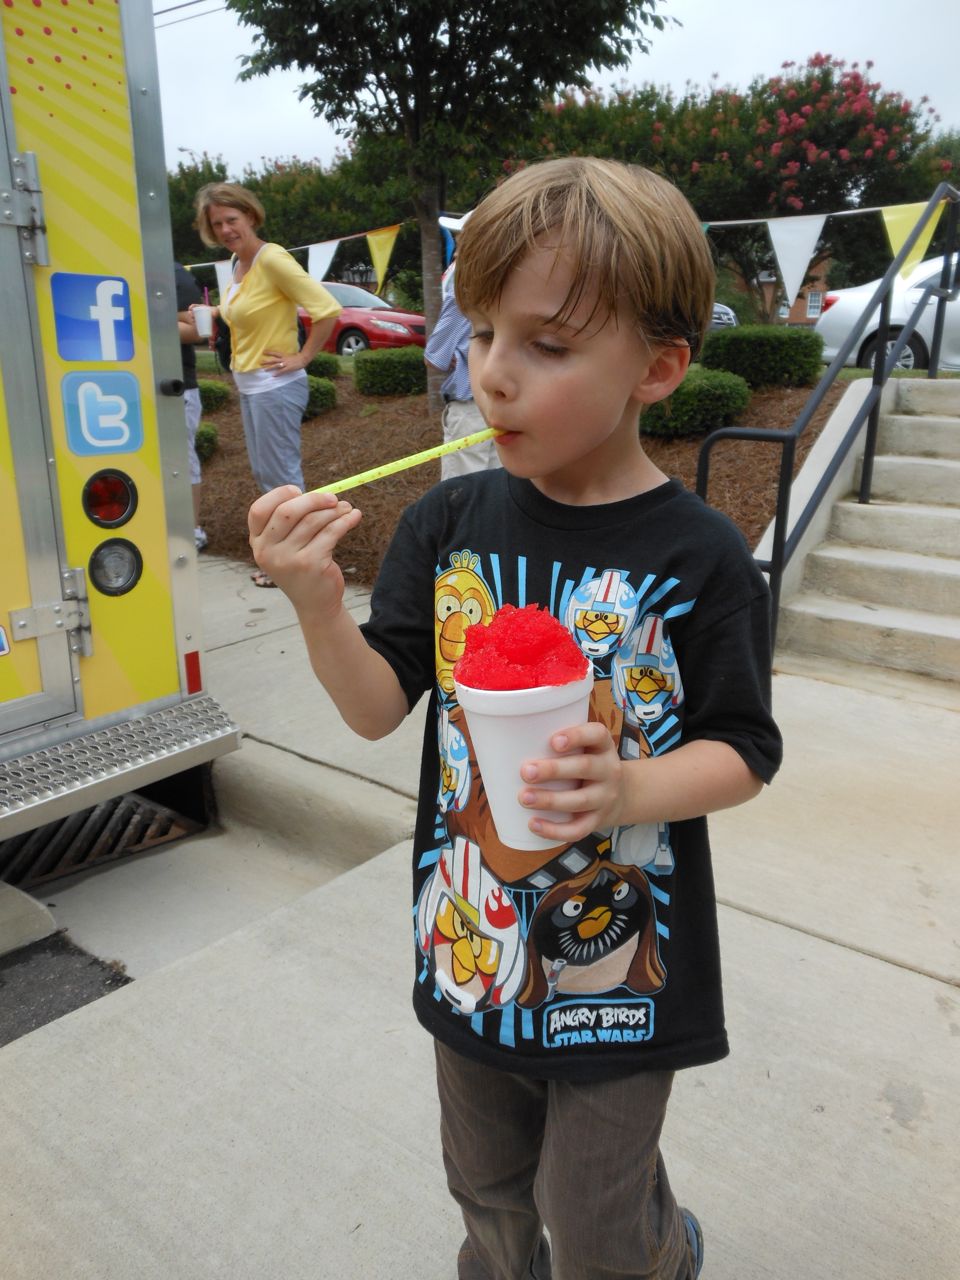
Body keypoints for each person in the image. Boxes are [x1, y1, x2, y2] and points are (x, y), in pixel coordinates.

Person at [248, 157, 783, 1279]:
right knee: (489, 1190)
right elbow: (376, 707)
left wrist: (630, 786)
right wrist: (316, 604)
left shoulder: (701, 557)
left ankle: (659, 1249)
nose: (492, 374)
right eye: (483, 332)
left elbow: (744, 750)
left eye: (547, 345)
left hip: (623, 962)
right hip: (472, 936)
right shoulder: (447, 524)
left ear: (659, 367)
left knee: (591, 1217)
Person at [193, 182, 342, 585]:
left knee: (282, 481)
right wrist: (213, 312)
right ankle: (287, 559)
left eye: (231, 220)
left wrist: (303, 357)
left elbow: (326, 309)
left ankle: (302, 561)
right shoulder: (237, 264)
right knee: (268, 477)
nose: (225, 230)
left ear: (250, 216)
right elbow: (246, 310)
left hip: (275, 386)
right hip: (251, 386)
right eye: (217, 224)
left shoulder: (271, 258)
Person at [424, 258, 500, 479]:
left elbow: (435, 358)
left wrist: (457, 355)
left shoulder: (463, 298)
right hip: (503, 406)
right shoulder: (509, 296)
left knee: (462, 487)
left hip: (469, 410)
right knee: (498, 483)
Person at [174, 263, 207, 551]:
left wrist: (141, 322)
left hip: (177, 386)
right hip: (131, 386)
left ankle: (192, 530)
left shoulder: (174, 274)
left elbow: (198, 331)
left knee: (183, 458)